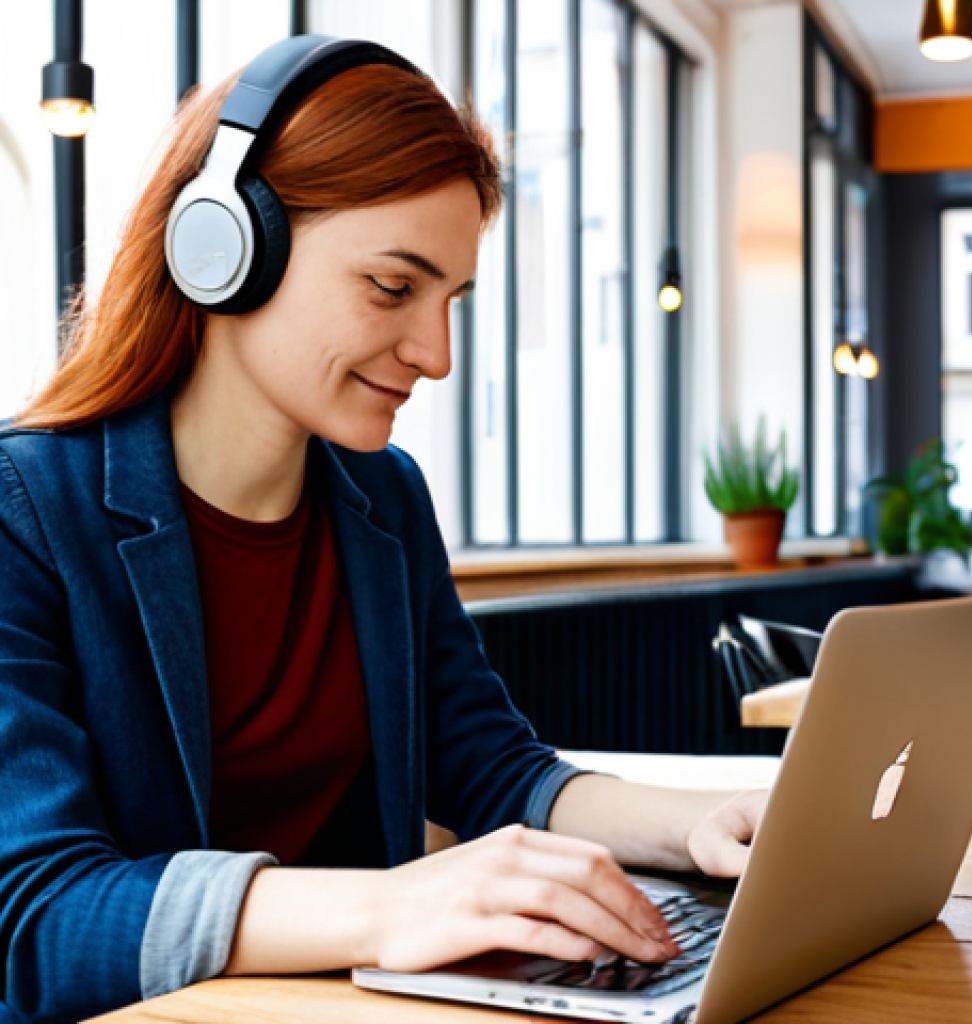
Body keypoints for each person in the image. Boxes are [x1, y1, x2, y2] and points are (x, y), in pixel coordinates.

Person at [0, 37, 767, 1024]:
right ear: (223, 246)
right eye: (394, 287)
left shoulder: (384, 499)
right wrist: (388, 905)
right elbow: (33, 916)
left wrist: (705, 822)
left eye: (450, 300)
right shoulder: (24, 511)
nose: (436, 355)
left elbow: (490, 767)